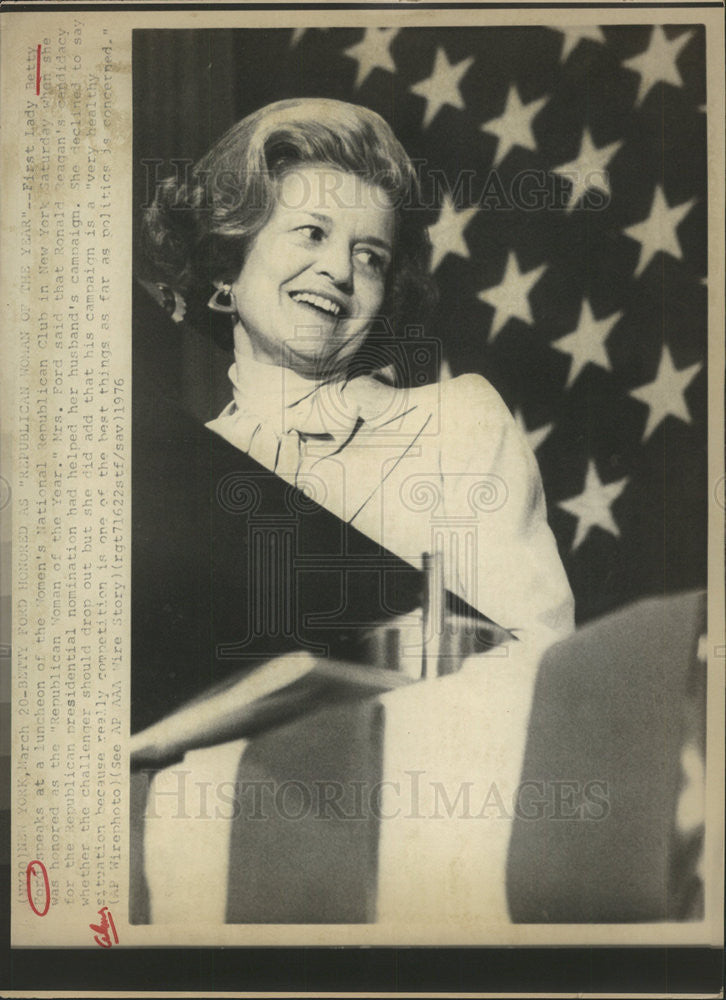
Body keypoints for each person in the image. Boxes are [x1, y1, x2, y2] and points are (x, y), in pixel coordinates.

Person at [141, 96, 574, 667]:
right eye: (311, 233)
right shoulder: (180, 469)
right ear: (227, 267)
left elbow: (539, 662)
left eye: (369, 256)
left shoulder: (457, 422)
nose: (340, 272)